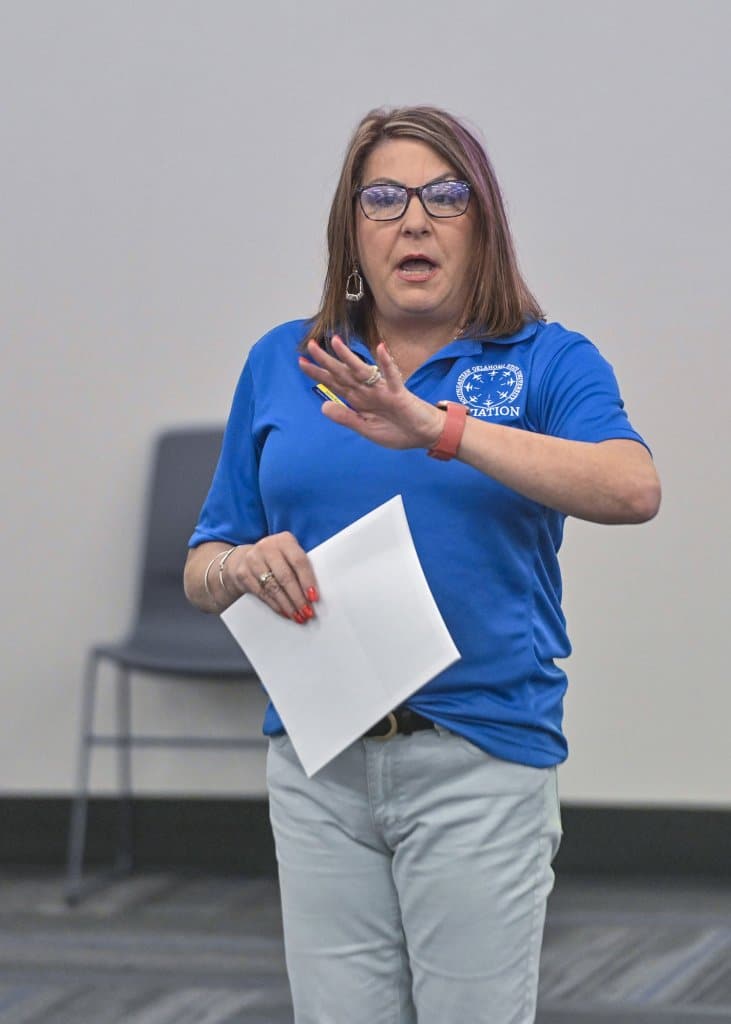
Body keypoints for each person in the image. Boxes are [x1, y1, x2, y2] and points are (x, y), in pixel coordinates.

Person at [184, 105, 661, 1024]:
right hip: (318, 760)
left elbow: (631, 488)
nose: (413, 220)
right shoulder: (285, 361)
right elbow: (204, 561)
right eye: (384, 199)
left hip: (480, 755)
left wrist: (439, 429)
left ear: (482, 224)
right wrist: (239, 567)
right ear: (351, 231)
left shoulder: (547, 359)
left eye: (445, 196)